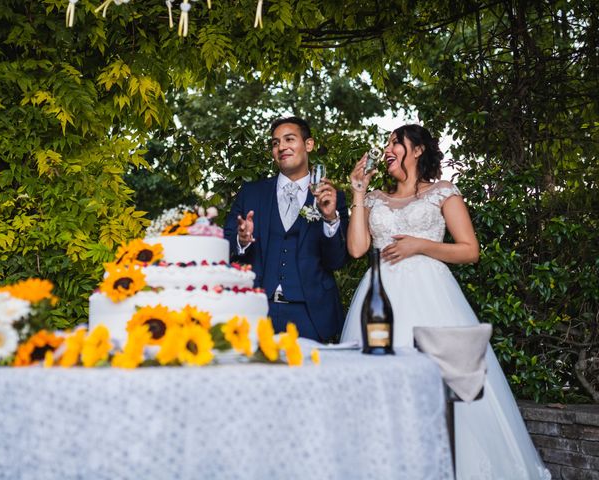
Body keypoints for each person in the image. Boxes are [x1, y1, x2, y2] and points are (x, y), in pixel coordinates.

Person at [341, 124, 550, 479]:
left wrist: (420, 245)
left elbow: (470, 250)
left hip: (431, 298)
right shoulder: (374, 197)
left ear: (418, 149)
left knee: (443, 387)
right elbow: (358, 248)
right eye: (387, 143)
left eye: (395, 142)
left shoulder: (443, 192)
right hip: (379, 297)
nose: (387, 148)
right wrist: (358, 192)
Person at [224, 116, 349, 343]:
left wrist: (330, 219)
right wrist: (242, 240)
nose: (281, 147)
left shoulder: (332, 196)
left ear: (308, 144)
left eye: (289, 139)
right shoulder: (251, 193)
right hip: (257, 310)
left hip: (312, 315)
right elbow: (226, 243)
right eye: (275, 143)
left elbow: (337, 261)